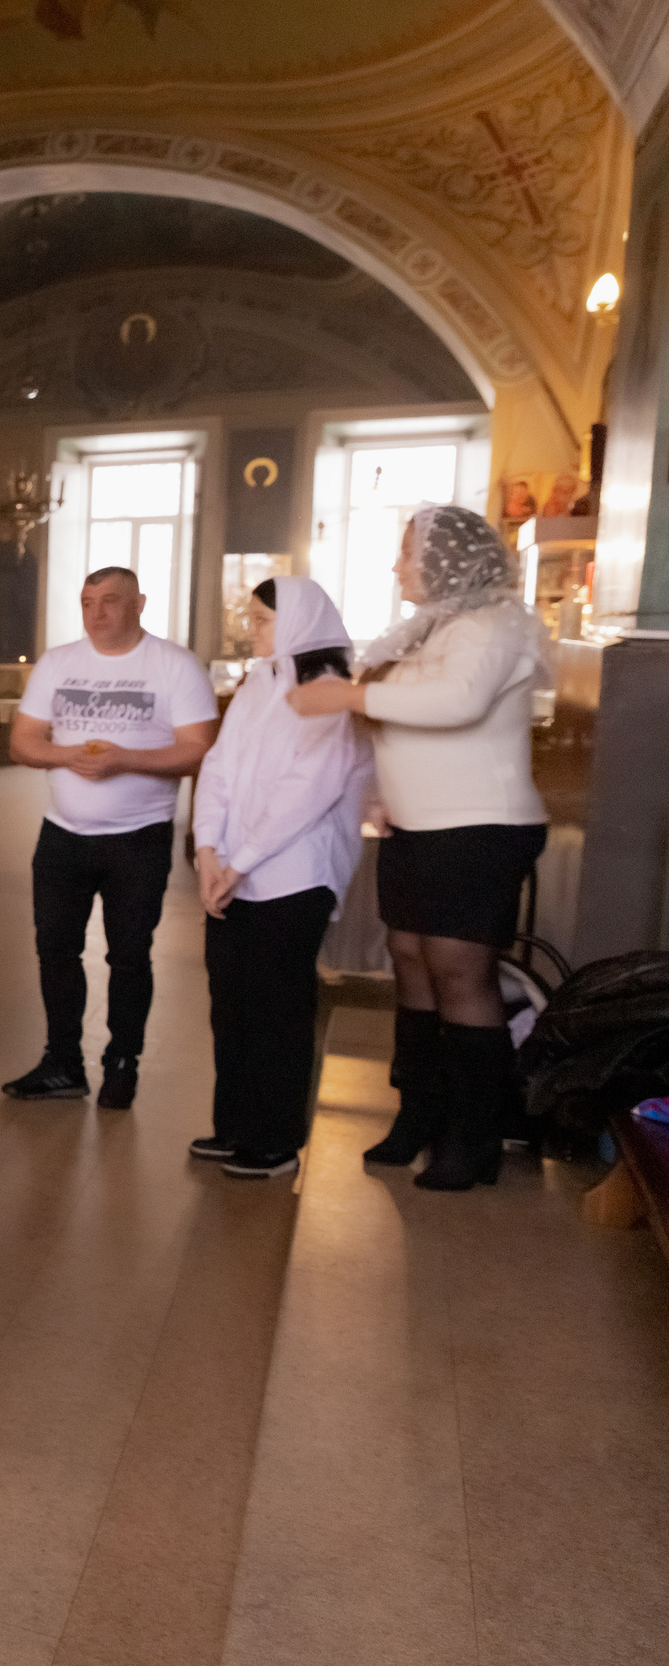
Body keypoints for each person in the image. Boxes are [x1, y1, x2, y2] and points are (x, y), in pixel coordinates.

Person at [289, 505, 547, 1191]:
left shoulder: (491, 625)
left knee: (460, 971)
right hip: (418, 826)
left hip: (479, 826)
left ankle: (475, 1135)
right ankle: (419, 1114)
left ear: (446, 559)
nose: (397, 566)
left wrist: (348, 693)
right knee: (410, 960)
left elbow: (456, 703)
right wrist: (378, 786)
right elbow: (402, 725)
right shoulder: (428, 630)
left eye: (407, 552)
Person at [3, 566, 218, 1109]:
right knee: (55, 950)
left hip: (138, 838)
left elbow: (198, 749)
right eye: (87, 602)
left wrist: (126, 759)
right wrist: (66, 754)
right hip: (63, 836)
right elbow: (24, 743)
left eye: (111, 601)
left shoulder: (173, 665)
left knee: (128, 955)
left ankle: (123, 1062)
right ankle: (62, 1063)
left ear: (140, 603)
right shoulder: (59, 662)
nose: (97, 613)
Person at [190, 577, 371, 1179]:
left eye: (262, 619)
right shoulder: (257, 684)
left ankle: (274, 1141)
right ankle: (235, 1125)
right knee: (231, 1005)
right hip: (233, 873)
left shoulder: (327, 694)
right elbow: (216, 767)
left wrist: (238, 861)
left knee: (277, 1011)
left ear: (297, 623)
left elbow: (307, 793)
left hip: (293, 877)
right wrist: (208, 850)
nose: (251, 629)